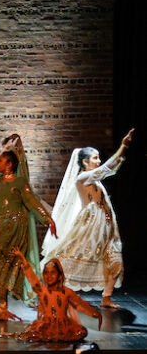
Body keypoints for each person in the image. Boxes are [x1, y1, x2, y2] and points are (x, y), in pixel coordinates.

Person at [0, 122, 56, 319]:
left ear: (9, 164)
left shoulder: (20, 182)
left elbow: (32, 201)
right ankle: (2, 309)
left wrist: (48, 219)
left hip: (15, 227)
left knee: (16, 266)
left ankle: (45, 301)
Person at [41, 129, 134, 308]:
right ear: (84, 162)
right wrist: (123, 146)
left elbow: (108, 170)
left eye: (98, 158)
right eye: (95, 158)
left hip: (107, 227)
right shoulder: (83, 177)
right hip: (91, 227)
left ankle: (106, 297)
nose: (98, 161)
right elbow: (108, 169)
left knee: (115, 261)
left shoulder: (95, 180)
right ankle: (52, 292)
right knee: (71, 258)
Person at [8, 248, 102, 342]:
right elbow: (31, 277)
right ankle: (51, 337)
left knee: (82, 332)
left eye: (52, 272)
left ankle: (56, 337)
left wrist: (95, 313)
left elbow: (80, 304)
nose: (49, 276)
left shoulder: (67, 292)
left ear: (60, 276)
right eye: (46, 273)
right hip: (46, 325)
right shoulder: (42, 290)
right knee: (34, 333)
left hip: (63, 326)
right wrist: (22, 258)